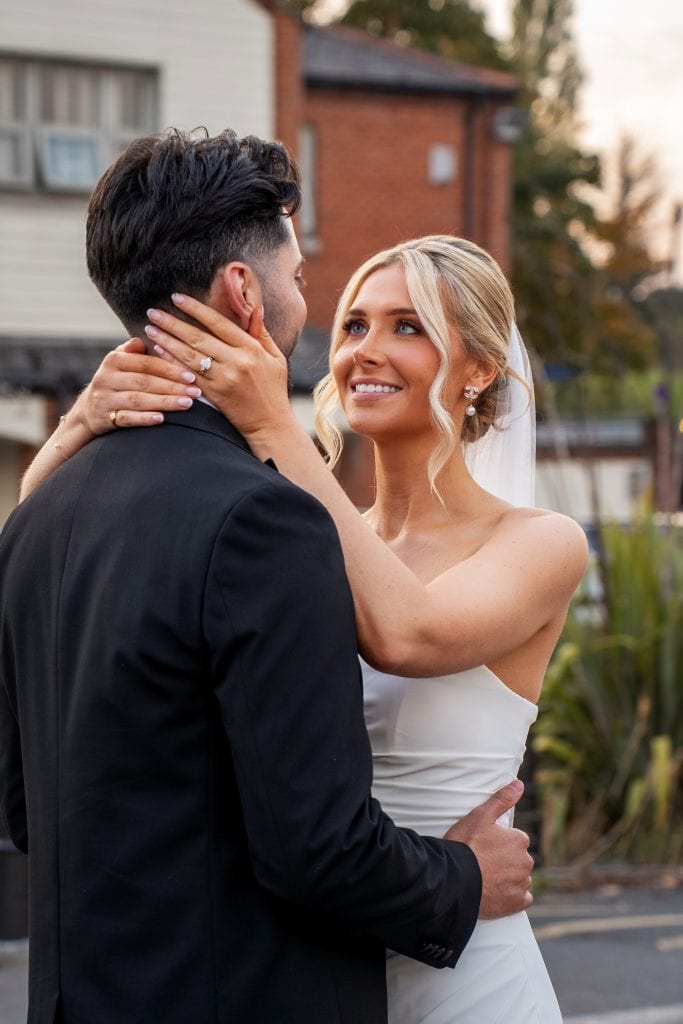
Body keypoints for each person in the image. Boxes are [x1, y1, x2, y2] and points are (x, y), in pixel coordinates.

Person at [0, 131, 534, 1024]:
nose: (313, 310)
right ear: (244, 293)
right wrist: (465, 875)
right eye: (299, 279)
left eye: (405, 327)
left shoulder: (42, 511)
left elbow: (27, 810)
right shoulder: (264, 519)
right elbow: (314, 848)